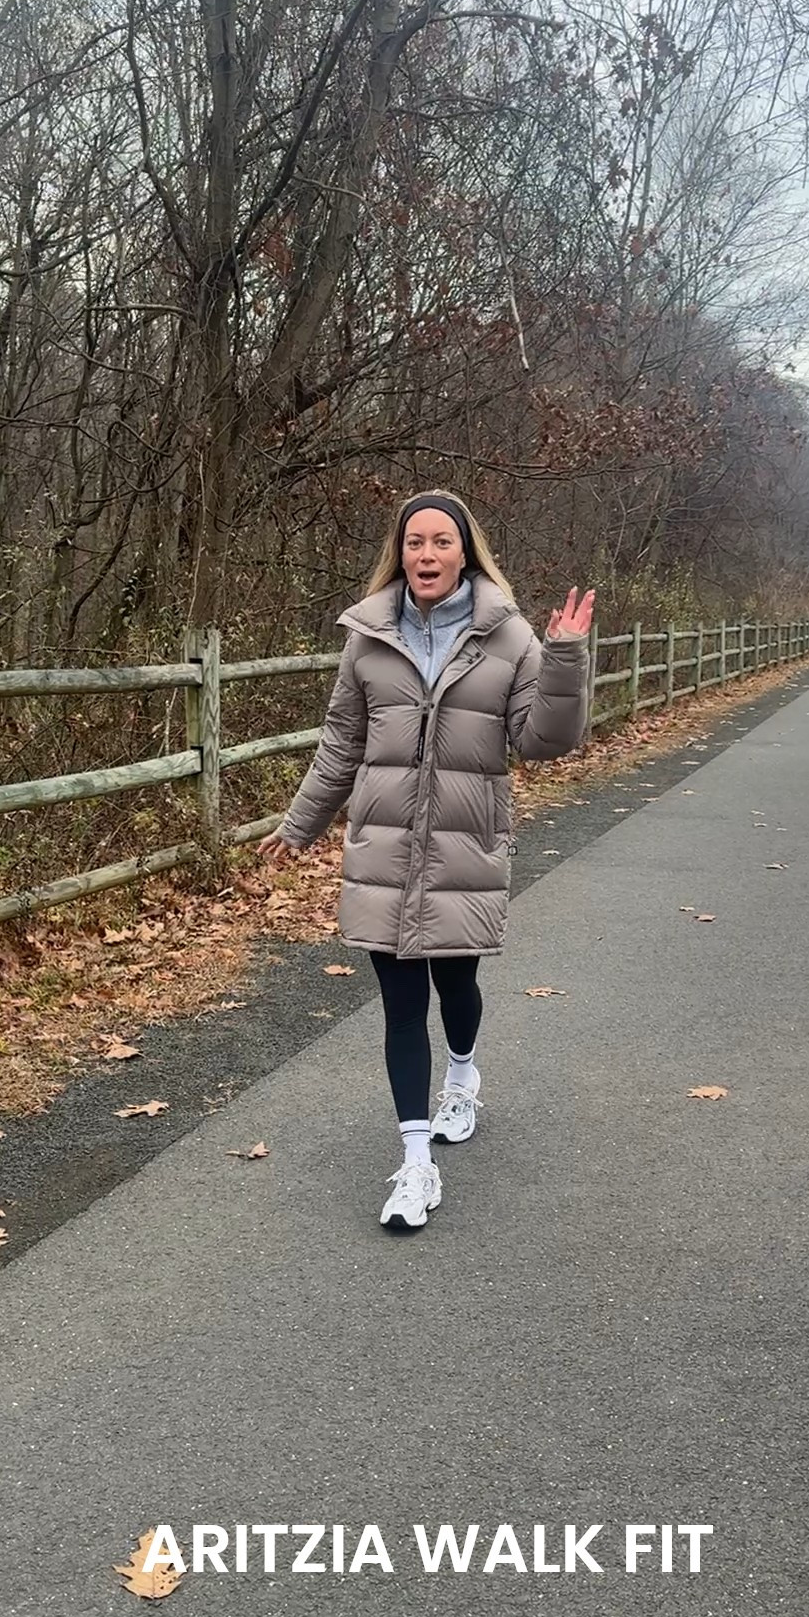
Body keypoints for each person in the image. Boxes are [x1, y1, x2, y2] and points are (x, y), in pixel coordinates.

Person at [257, 489, 594, 1231]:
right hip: (382, 849)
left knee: (457, 983)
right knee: (402, 1006)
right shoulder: (368, 636)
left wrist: (565, 658)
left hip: (463, 848)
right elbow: (342, 742)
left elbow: (544, 741)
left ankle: (464, 1077)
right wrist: (301, 824)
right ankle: (417, 1165)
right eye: (415, 543)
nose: (427, 555)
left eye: (442, 542)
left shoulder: (509, 636)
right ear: (399, 553)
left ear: (464, 551)